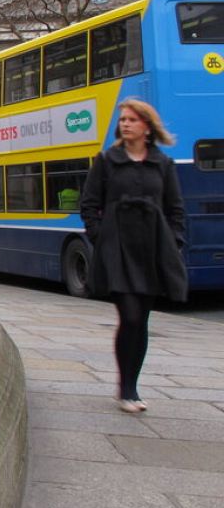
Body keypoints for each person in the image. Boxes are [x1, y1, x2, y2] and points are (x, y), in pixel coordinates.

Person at [80, 98, 187, 414]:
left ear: (147, 127)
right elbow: (89, 204)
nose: (125, 124)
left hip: (152, 248)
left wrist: (174, 241)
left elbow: (175, 208)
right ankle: (126, 388)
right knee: (129, 316)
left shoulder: (163, 164)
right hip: (118, 249)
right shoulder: (106, 161)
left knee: (142, 319)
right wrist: (101, 238)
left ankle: (131, 385)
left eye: (132, 119)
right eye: (122, 119)